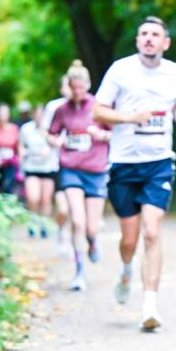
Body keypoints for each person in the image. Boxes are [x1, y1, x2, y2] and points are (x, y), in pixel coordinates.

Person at [93, 16, 176, 332]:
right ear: (138, 41)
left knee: (152, 231)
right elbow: (97, 110)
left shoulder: (175, 72)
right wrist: (129, 117)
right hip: (123, 163)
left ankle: (149, 304)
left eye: (155, 34)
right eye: (144, 34)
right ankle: (125, 269)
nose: (149, 38)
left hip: (159, 162)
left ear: (166, 43)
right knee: (129, 239)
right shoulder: (120, 70)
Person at [48, 61, 111, 291]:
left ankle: (93, 242)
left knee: (91, 228)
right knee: (77, 220)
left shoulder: (100, 107)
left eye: (80, 88)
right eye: (73, 88)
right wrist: (57, 141)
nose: (77, 92)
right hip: (71, 169)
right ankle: (79, 272)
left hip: (95, 170)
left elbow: (116, 135)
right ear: (69, 86)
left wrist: (101, 135)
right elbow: (51, 134)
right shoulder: (62, 110)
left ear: (88, 85)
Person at [18, 103, 58, 237]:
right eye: (37, 114)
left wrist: (47, 140)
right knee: (33, 198)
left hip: (48, 168)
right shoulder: (26, 129)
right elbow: (21, 146)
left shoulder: (52, 127)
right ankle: (33, 222)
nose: (39, 117)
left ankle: (44, 225)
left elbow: (58, 143)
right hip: (31, 168)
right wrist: (23, 153)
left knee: (46, 199)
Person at [44, 75, 73, 253]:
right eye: (68, 85)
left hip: (83, 165)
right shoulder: (54, 107)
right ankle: (61, 229)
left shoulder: (89, 107)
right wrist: (57, 143)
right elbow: (46, 133)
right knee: (64, 208)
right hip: (59, 163)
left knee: (78, 210)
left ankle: (79, 239)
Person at [0, 103, 19, 195]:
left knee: (8, 188)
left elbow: (19, 147)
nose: (2, 115)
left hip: (10, 163)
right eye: (1, 112)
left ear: (9, 114)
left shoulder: (14, 129)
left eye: (5, 112)